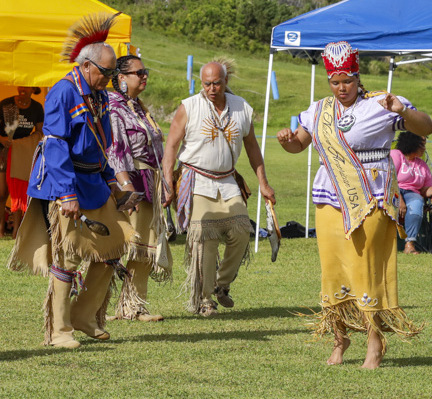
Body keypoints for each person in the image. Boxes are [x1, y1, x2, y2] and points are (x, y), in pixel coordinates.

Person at [276, 41, 431, 369]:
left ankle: (375, 341)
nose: (341, 88)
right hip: (330, 197)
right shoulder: (318, 111)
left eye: (347, 81)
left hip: (371, 197)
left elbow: (426, 127)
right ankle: (340, 338)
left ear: (358, 77)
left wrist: (402, 110)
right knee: (333, 271)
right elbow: (299, 146)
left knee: (365, 266)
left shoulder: (381, 104)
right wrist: (289, 142)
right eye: (335, 82)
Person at [7, 13, 137, 348]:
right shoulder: (63, 93)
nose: (110, 78)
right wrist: (66, 193)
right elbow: (55, 144)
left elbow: (101, 146)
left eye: (113, 73)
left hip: (93, 180)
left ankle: (83, 315)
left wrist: (114, 183)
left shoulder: (100, 96)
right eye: (106, 72)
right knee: (67, 255)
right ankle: (59, 330)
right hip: (65, 182)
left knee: (114, 246)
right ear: (88, 65)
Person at [162, 59, 276, 317]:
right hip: (197, 179)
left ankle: (220, 285)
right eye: (206, 84)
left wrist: (264, 184)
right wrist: (168, 179)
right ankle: (204, 300)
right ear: (201, 83)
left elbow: (252, 148)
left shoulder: (241, 108)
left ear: (226, 82)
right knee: (205, 237)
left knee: (241, 230)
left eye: (216, 83)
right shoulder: (189, 107)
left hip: (227, 180)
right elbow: (170, 145)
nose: (211, 88)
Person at [106, 55, 172, 322]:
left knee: (144, 245)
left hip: (148, 180)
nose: (144, 76)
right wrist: (126, 189)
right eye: (138, 73)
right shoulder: (113, 107)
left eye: (145, 72)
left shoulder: (138, 106)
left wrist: (165, 182)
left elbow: (157, 148)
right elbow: (116, 150)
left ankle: (133, 306)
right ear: (121, 78)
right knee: (120, 245)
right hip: (127, 180)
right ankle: (95, 306)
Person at [0, 86, 45, 237]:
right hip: (3, 152)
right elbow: (6, 134)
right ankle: (0, 230)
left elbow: (40, 132)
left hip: (21, 153)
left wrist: (21, 144)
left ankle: (16, 231)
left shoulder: (36, 107)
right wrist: (2, 139)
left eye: (27, 86)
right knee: (2, 193)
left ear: (33, 89)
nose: (22, 89)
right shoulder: (7, 104)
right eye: (21, 85)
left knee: (18, 192)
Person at [391, 131, 432, 254]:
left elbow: (424, 189)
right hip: (393, 190)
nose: (424, 148)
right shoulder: (396, 155)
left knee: (417, 204)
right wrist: (400, 200)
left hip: (412, 193)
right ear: (412, 144)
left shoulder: (422, 164)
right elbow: (390, 179)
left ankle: (409, 244)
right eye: (422, 145)